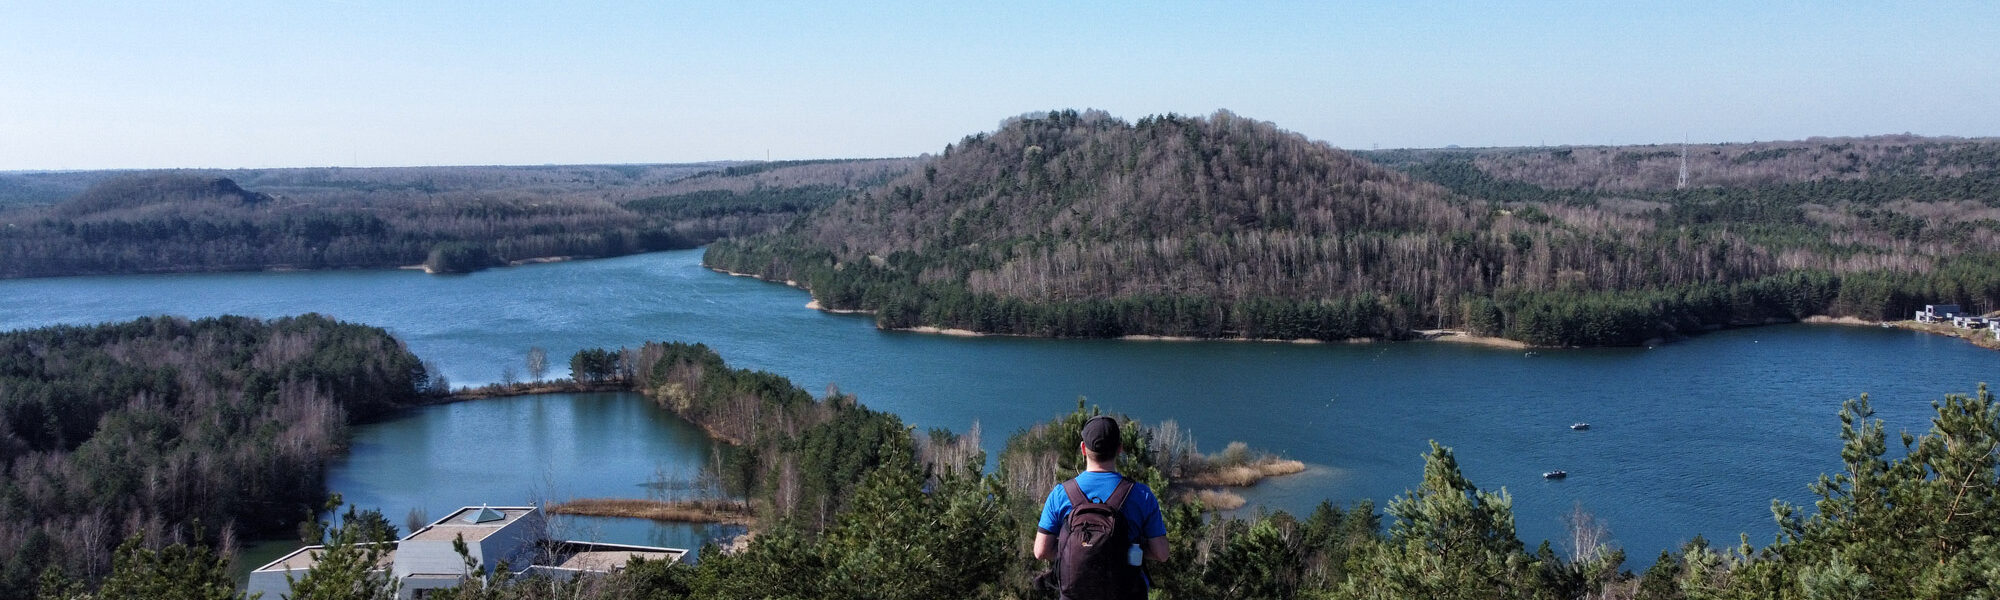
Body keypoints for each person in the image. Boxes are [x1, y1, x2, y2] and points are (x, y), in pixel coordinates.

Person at [1034, 415, 1169, 599]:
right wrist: (1127, 550)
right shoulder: (1142, 495)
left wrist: (1079, 549)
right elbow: (1161, 554)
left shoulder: (1060, 494)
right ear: (1120, 449)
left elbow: (1041, 551)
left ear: (1083, 449)